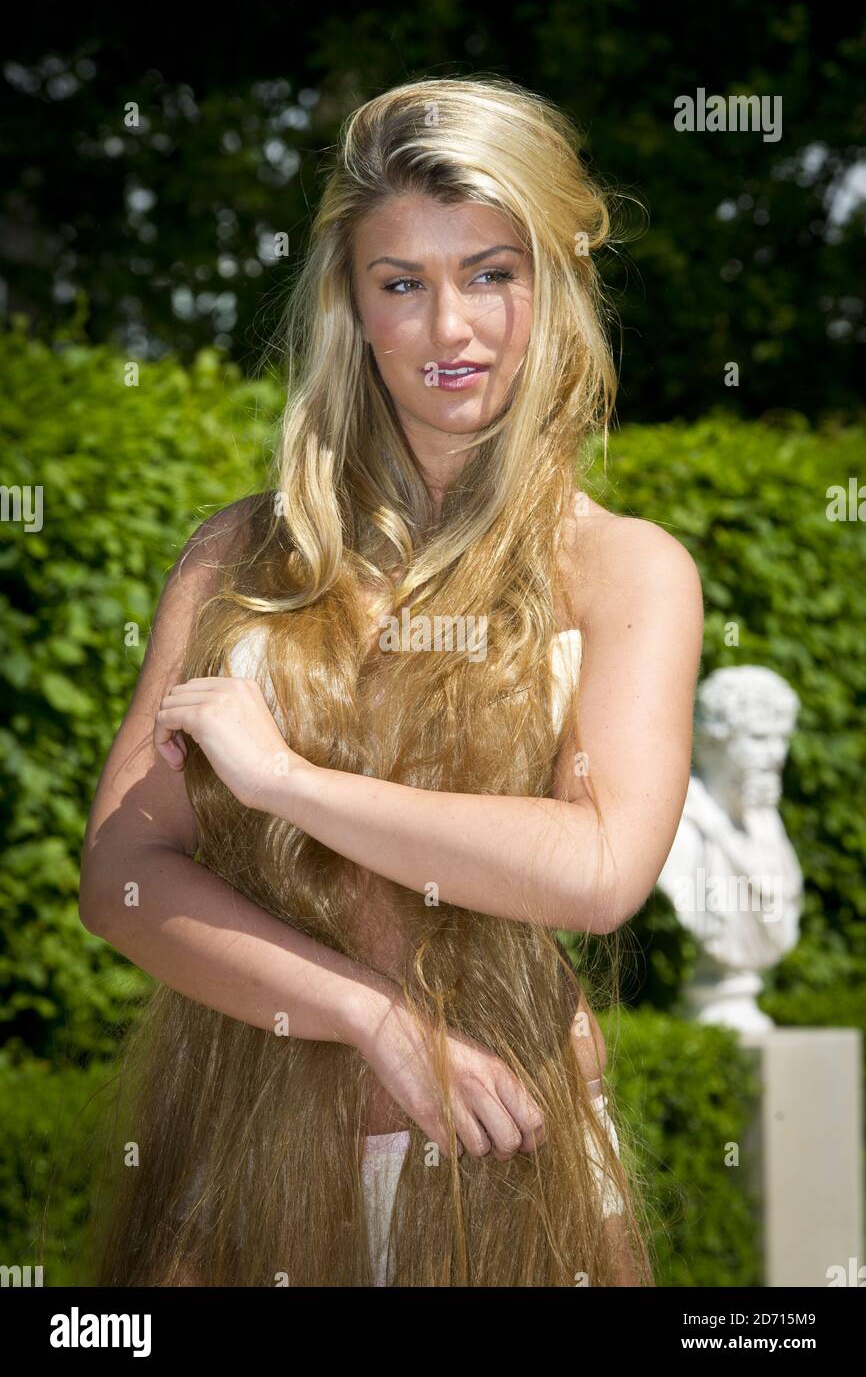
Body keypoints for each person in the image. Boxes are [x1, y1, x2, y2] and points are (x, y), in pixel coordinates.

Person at [80, 74, 703, 1287]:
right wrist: (373, 1017)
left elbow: (595, 870)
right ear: (350, 306)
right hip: (239, 1159)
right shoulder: (239, 557)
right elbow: (122, 880)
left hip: (507, 1173)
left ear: (552, 291)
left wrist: (281, 780)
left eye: (489, 273)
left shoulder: (622, 571)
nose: (449, 330)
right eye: (400, 284)